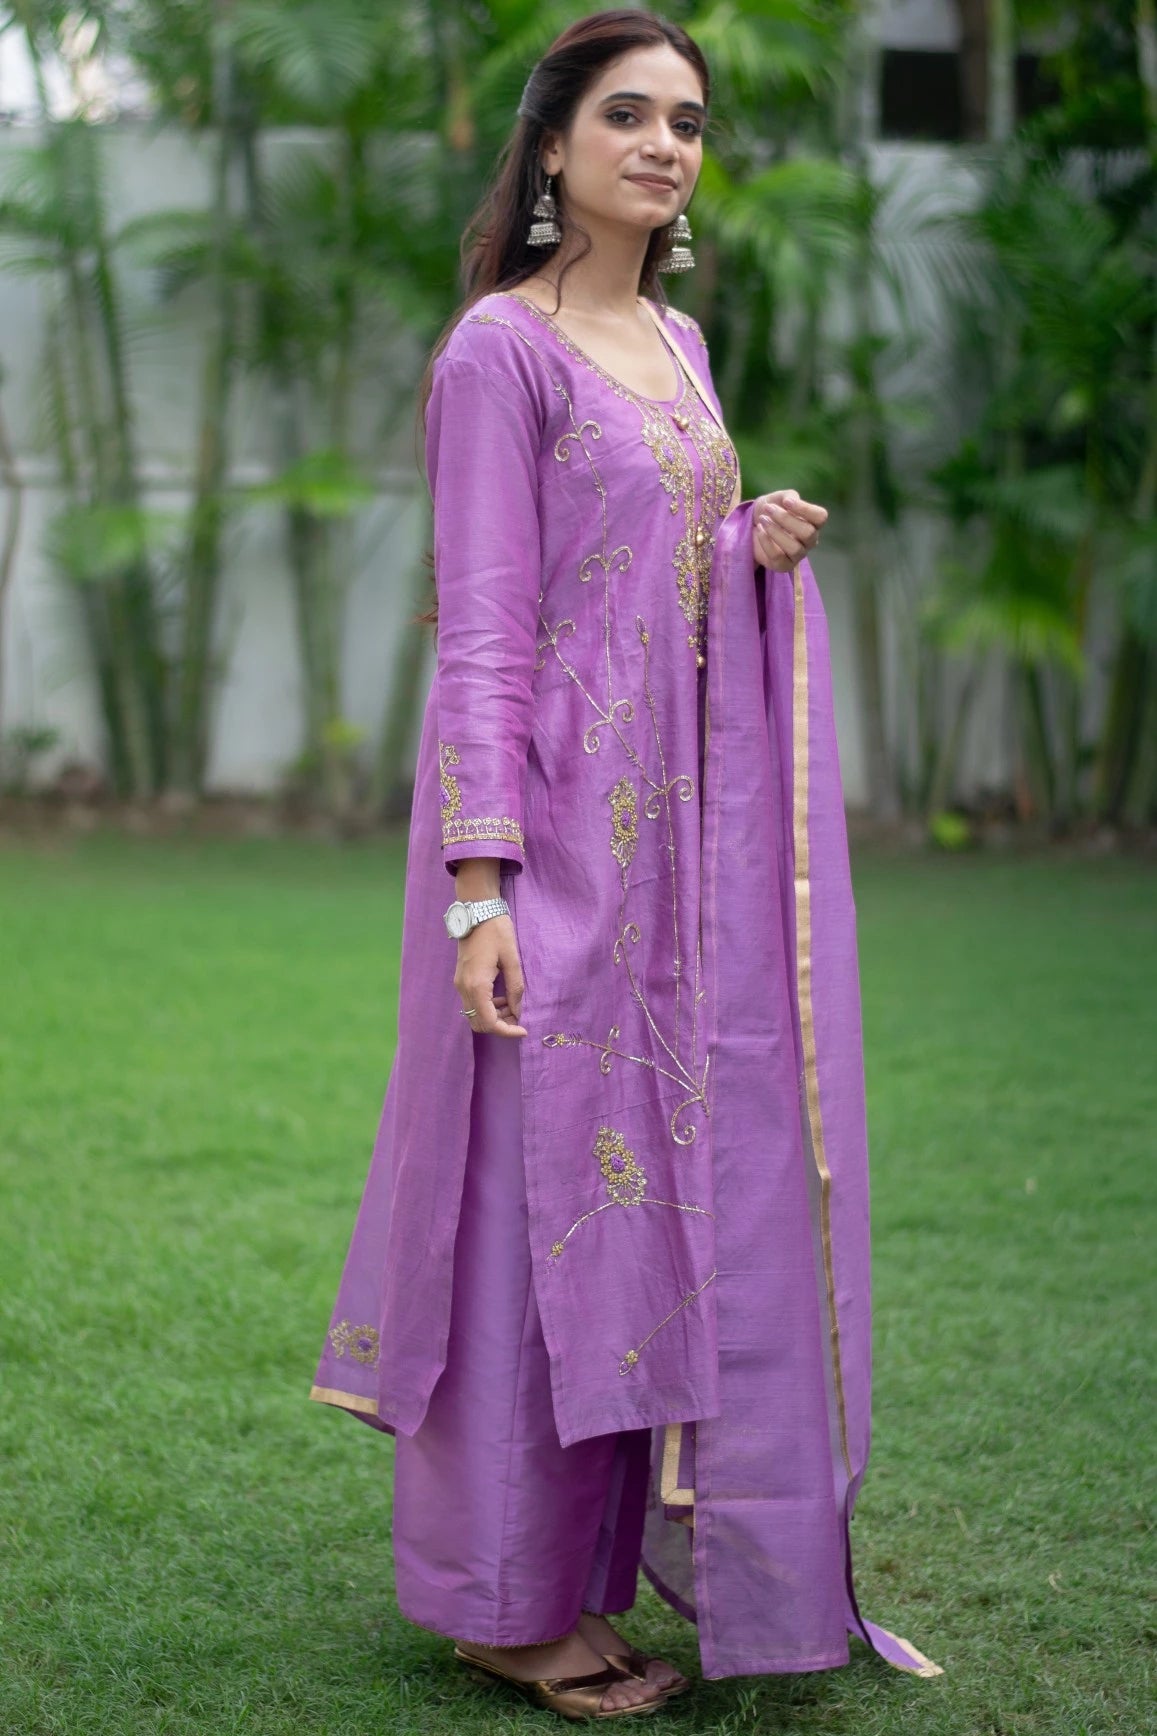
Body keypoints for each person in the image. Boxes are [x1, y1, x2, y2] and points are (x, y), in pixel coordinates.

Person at [310, 7, 943, 1721]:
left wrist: (754, 542)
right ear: (552, 146)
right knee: (531, 1222)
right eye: (629, 115)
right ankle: (502, 1605)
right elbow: (489, 635)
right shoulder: (493, 357)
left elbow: (653, 573)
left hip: (689, 874)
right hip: (551, 858)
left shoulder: (678, 344)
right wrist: (479, 887)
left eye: (687, 120)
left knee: (643, 1218)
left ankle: (596, 1574)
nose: (666, 144)